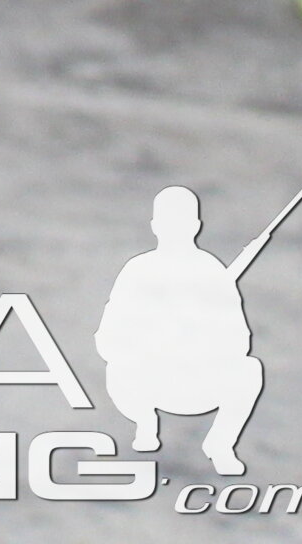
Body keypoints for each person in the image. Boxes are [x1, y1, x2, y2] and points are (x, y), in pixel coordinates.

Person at [96, 183, 270, 478]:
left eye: (182, 221)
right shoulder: (137, 270)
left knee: (250, 370)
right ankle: (145, 423)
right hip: (145, 382)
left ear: (196, 226)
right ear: (155, 226)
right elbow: (107, 337)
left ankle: (221, 443)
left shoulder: (213, 272)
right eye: (167, 221)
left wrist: (203, 337)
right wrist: (151, 344)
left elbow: (240, 340)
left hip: (197, 381)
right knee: (116, 370)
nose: (174, 228)